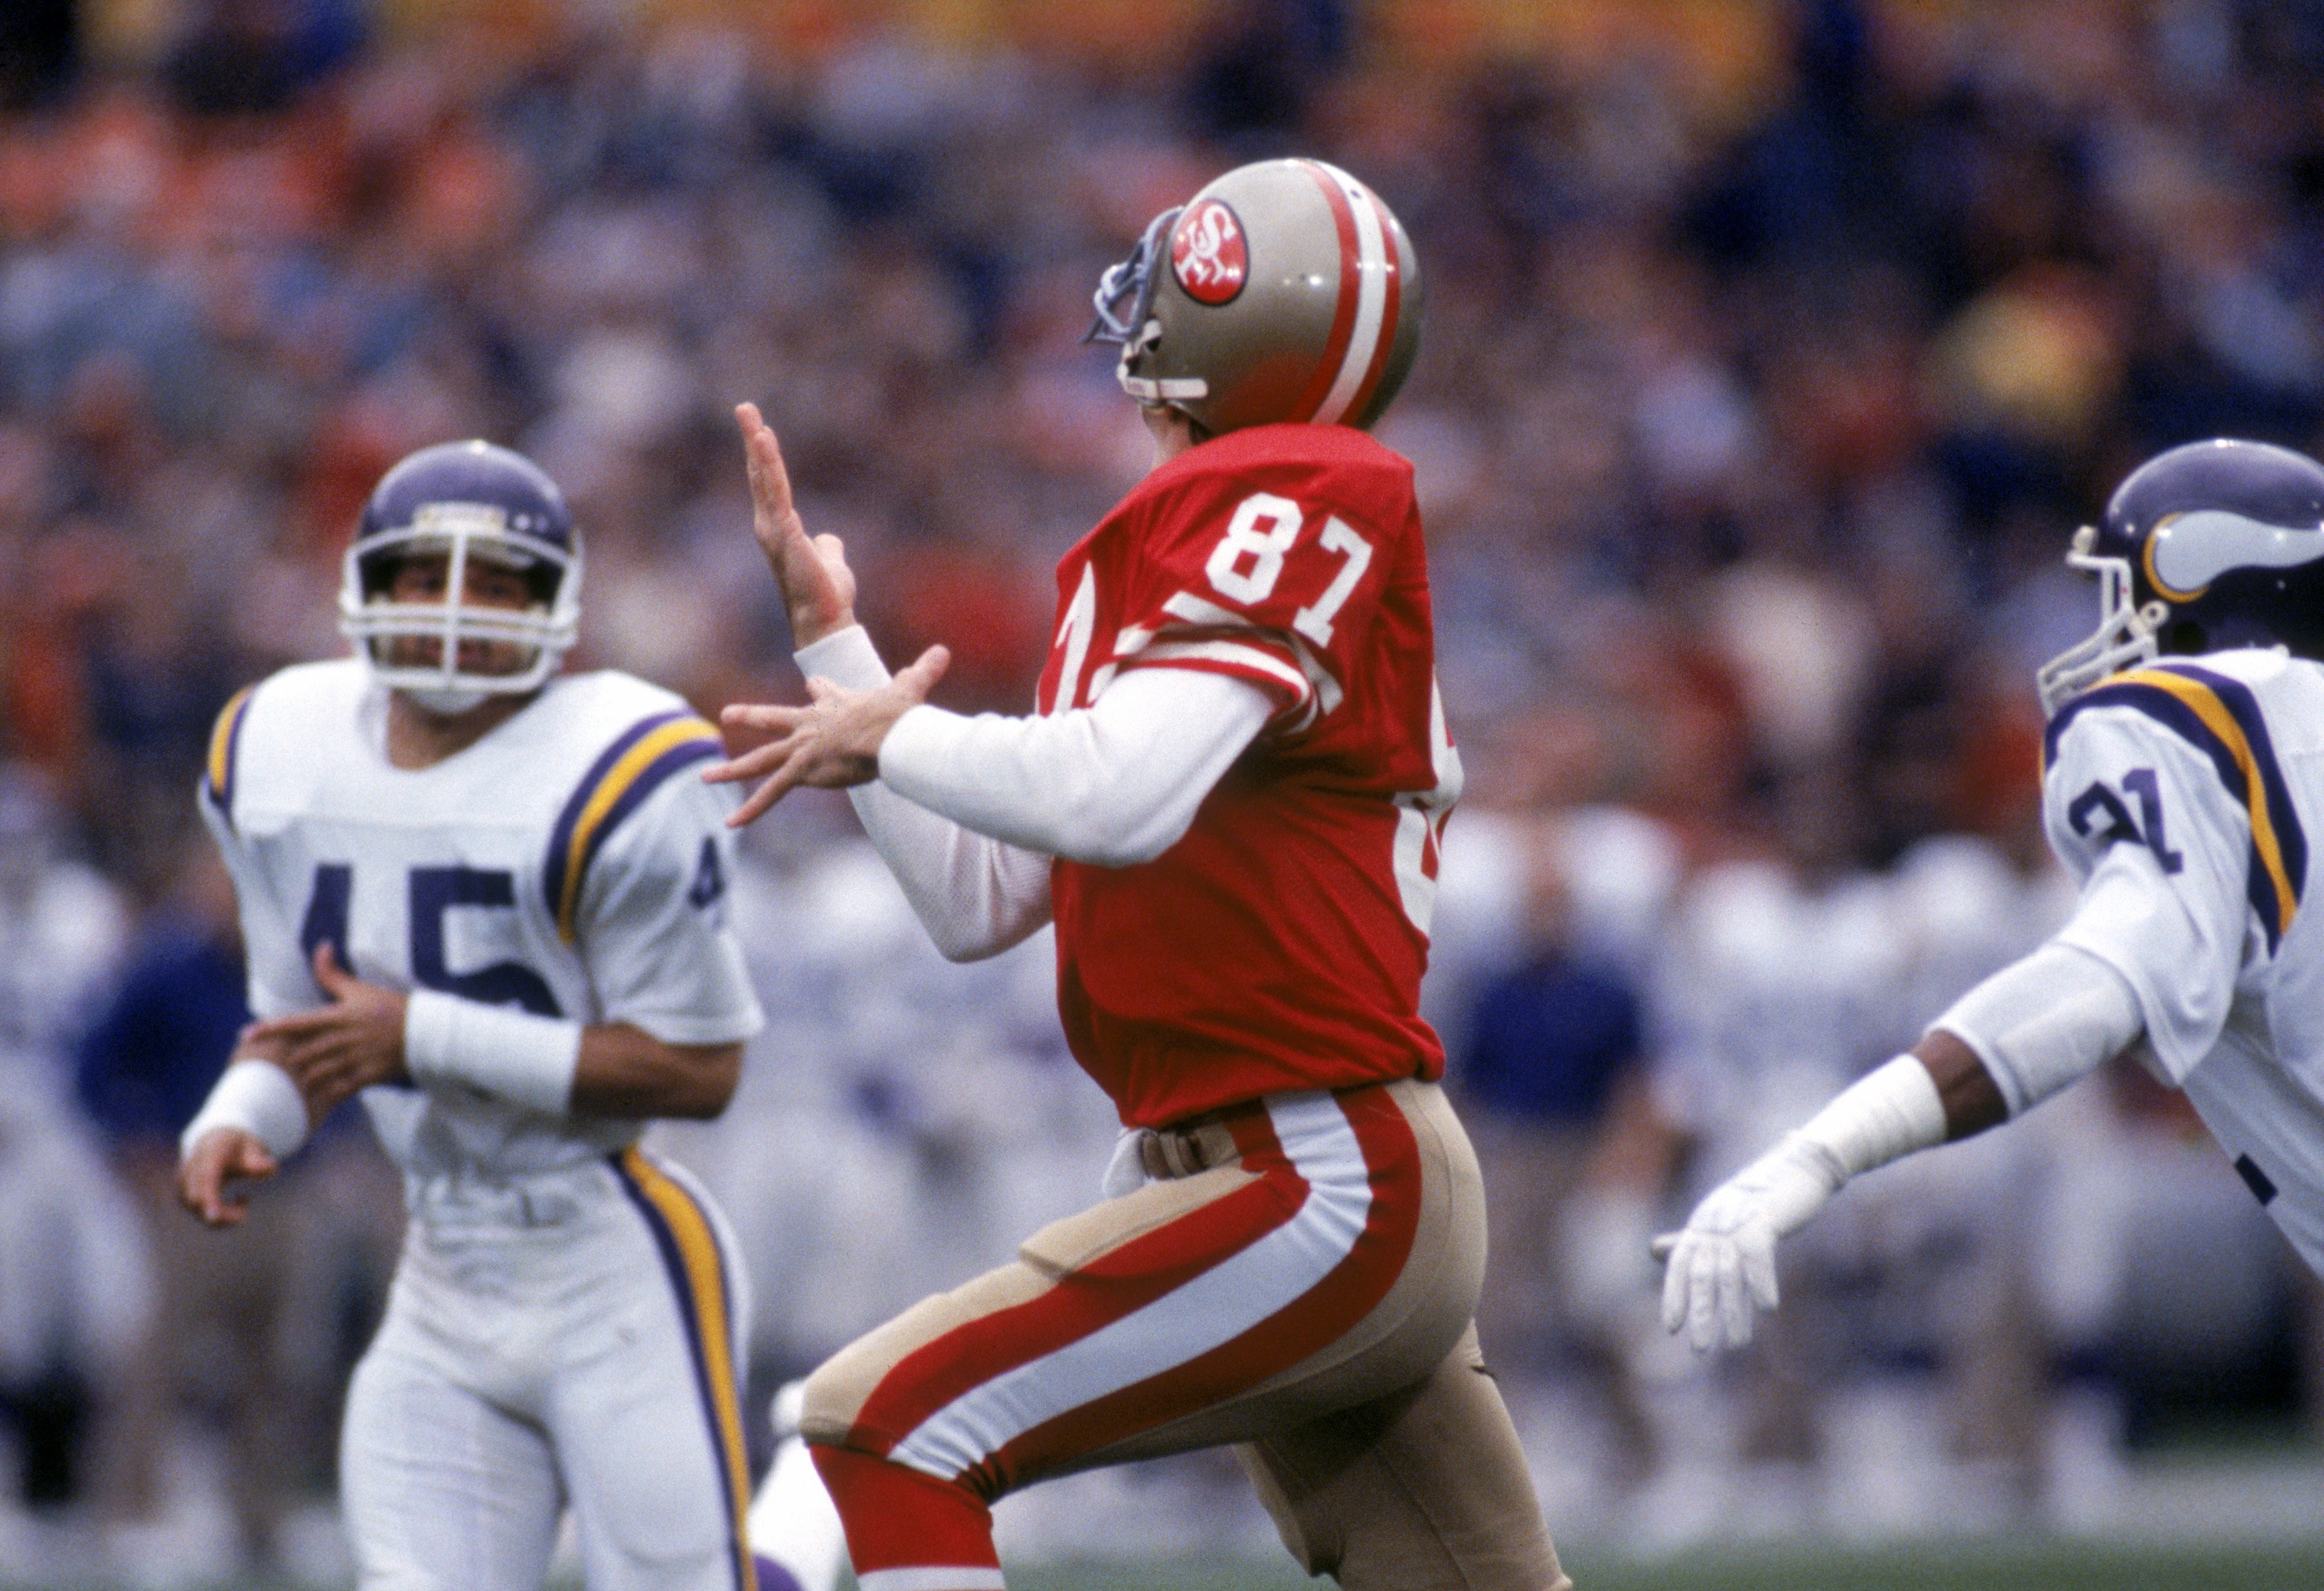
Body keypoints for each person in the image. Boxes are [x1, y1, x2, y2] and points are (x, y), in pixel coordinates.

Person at [711, 159, 1565, 1591]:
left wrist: (902, 730)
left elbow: (1120, 796)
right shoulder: (1191, 545)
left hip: (1322, 1175)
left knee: (884, 1432)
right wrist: (837, 654)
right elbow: (982, 901)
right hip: (1267, 1166)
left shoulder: (1296, 485)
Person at [173, 440, 782, 1591]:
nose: (455, 613)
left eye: (496, 585)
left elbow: (700, 1069)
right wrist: (237, 1116)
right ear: (366, 587)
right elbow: (303, 1028)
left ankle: (796, 1546)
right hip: (442, 1275)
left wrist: (422, 1037)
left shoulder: (626, 764)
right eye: (424, 578)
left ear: (555, 607)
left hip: (613, 1269)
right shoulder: (275, 745)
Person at [1655, 438, 2324, 1359]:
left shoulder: (2215, 727)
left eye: (2126, 600)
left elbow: (2099, 982)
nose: (2109, 634)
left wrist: (1824, 1150)